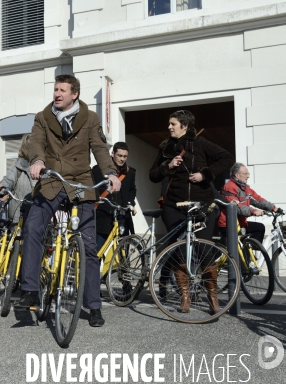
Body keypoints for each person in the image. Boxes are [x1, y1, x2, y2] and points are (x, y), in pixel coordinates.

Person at [13, 74, 121, 328]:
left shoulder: (90, 119)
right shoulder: (43, 117)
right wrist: (37, 160)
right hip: (51, 179)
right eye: (55, 90)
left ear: (75, 94)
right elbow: (36, 142)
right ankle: (30, 290)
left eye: (62, 90)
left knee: (89, 246)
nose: (57, 94)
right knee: (33, 226)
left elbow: (100, 149)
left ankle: (93, 305)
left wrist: (111, 173)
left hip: (81, 182)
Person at [149, 109, 234, 314]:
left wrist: (205, 175)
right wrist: (167, 166)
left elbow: (227, 158)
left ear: (185, 126)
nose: (169, 127)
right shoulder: (166, 147)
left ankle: (212, 297)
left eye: (173, 124)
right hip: (174, 206)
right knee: (178, 251)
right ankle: (184, 297)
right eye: (169, 123)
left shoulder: (200, 143)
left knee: (204, 252)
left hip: (201, 205)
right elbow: (152, 175)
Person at [217, 163, 282, 242]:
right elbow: (237, 207)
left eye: (248, 173)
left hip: (240, 224)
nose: (248, 176)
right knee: (234, 251)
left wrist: (273, 208)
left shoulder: (244, 187)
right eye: (245, 174)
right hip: (229, 225)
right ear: (237, 175)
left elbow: (258, 200)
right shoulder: (230, 187)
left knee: (259, 228)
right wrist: (253, 211)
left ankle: (250, 252)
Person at [92, 141, 137, 251]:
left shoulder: (130, 173)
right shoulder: (98, 170)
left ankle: (118, 269)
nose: (122, 159)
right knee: (97, 251)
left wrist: (131, 204)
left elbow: (132, 190)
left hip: (121, 216)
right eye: (119, 155)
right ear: (112, 154)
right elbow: (92, 187)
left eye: (125, 156)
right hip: (103, 215)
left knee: (122, 253)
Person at [0, 134, 37, 225]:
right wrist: (2, 186)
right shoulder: (19, 164)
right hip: (18, 209)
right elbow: (9, 178)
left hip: (37, 209)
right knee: (17, 236)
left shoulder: (44, 165)